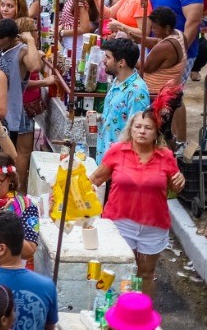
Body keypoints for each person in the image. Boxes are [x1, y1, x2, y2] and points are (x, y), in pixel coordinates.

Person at [89, 109, 184, 296]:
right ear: (130, 129)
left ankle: (140, 317)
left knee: (146, 274)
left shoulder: (165, 156)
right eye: (138, 126)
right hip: (119, 223)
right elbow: (94, 180)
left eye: (148, 128)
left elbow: (175, 188)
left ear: (156, 133)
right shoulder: (117, 151)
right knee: (117, 270)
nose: (142, 131)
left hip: (153, 226)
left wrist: (180, 180)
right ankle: (112, 314)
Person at [95, 37, 150, 158]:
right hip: (106, 157)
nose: (104, 61)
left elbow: (137, 133)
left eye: (108, 57)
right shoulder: (117, 81)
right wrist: (99, 117)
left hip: (121, 162)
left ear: (121, 63)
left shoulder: (137, 91)